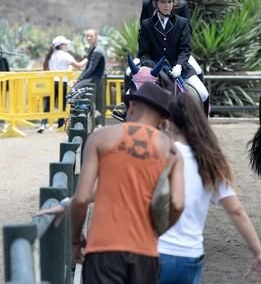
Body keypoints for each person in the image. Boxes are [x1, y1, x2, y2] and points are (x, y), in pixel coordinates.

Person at [70, 82, 185, 283]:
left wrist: (75, 240)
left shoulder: (100, 138)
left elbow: (80, 199)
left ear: (131, 106)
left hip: (102, 249)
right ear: (163, 119)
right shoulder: (172, 151)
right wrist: (158, 230)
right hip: (146, 252)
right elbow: (177, 203)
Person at [158, 93, 261, 284]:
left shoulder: (157, 155)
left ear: (168, 123)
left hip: (156, 251)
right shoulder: (209, 162)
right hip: (189, 255)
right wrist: (259, 253)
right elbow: (236, 211)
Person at [138, 0, 209, 107]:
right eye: (163, 2)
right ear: (155, 4)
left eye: (169, 2)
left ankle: (201, 124)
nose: (167, 6)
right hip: (154, 70)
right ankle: (126, 113)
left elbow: (185, 49)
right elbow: (144, 53)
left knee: (203, 94)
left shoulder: (182, 23)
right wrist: (153, 68)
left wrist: (179, 66)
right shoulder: (147, 25)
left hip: (180, 69)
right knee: (132, 89)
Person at [139, 0, 204, 79]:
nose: (167, 5)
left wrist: (179, 65)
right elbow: (143, 31)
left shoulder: (181, 5)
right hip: (152, 58)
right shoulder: (147, 3)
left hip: (177, 56)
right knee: (129, 72)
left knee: (201, 83)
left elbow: (187, 33)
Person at [38, 35, 86, 133]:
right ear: (61, 45)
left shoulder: (50, 55)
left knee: (48, 104)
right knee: (61, 104)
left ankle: (43, 124)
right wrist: (87, 59)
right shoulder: (65, 55)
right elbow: (79, 65)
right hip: (62, 82)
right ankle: (60, 124)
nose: (66, 46)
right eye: (65, 44)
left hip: (51, 81)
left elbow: (45, 67)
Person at [73, 29, 107, 122]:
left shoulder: (97, 51)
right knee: (97, 104)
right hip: (97, 78)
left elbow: (91, 69)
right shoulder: (92, 49)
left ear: (96, 37)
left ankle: (96, 124)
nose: (88, 38)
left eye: (91, 36)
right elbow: (87, 66)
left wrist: (79, 80)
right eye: (87, 36)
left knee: (98, 104)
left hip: (97, 79)